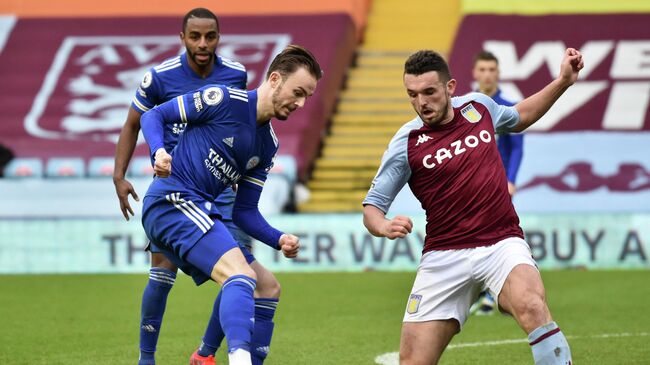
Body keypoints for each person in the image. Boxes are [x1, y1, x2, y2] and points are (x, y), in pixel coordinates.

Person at [362, 48, 583, 364]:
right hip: (444, 256)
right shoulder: (405, 143)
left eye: (429, 92)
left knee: (532, 306)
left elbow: (521, 116)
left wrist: (563, 80)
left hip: (501, 243)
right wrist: (382, 226)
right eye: (412, 95)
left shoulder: (479, 108)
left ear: (450, 88)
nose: (421, 102)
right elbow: (372, 207)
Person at [110, 8, 280, 365]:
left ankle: (205, 353)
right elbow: (133, 123)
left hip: (221, 189)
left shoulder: (235, 74)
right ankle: (147, 358)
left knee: (241, 271)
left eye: (210, 36)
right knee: (162, 272)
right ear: (182, 37)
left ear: (219, 37)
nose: (203, 44)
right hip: (176, 183)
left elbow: (240, 124)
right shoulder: (159, 77)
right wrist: (119, 175)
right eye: (195, 37)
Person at [140, 45, 322, 365]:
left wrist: (278, 238)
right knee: (240, 276)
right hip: (171, 201)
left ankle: (204, 357)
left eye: (307, 96)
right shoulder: (222, 99)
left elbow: (245, 211)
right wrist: (158, 152)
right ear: (275, 79)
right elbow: (154, 114)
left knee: (266, 286)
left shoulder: (267, 145)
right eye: (298, 92)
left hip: (199, 210)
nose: (301, 103)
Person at [470, 50, 524, 315]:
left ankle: (495, 294)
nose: (487, 74)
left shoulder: (506, 107)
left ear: (498, 73)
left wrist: (511, 179)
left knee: (495, 239)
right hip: (469, 187)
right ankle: (492, 293)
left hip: (497, 186)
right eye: (483, 69)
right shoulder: (465, 107)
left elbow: (517, 147)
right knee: (471, 238)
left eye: (492, 69)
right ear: (475, 73)